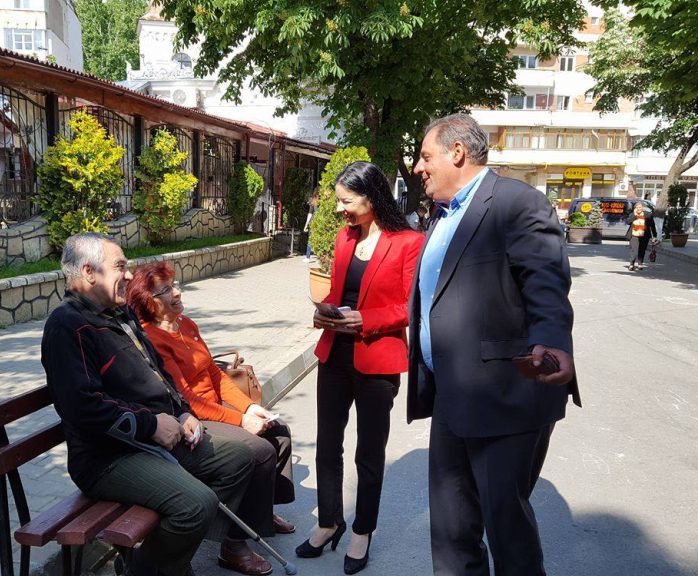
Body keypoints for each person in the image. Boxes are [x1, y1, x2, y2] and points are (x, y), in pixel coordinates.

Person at [41, 232, 273, 576]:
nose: (129, 275)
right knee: (196, 504)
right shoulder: (67, 326)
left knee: (240, 458)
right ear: (89, 272)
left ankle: (172, 558)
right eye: (120, 266)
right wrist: (151, 425)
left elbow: (159, 372)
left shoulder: (118, 313)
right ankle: (151, 567)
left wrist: (182, 412)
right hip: (108, 457)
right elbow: (82, 407)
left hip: (154, 437)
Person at [408, 113, 580, 576]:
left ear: (457, 152)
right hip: (451, 392)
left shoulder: (517, 203)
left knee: (507, 530)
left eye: (425, 157)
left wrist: (552, 341)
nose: (418, 167)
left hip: (505, 394)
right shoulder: (442, 214)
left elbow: (545, 281)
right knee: (451, 528)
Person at [298, 161, 424, 574]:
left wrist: (365, 320)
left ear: (372, 198)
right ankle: (329, 521)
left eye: (346, 201)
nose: (340, 210)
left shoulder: (408, 242)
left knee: (369, 452)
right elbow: (338, 292)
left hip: (378, 360)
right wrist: (326, 312)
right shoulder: (344, 237)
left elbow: (409, 306)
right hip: (334, 353)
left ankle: (362, 530)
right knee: (327, 444)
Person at [127, 261, 297, 537]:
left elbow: (215, 374)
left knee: (279, 431)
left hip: (215, 407)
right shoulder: (154, 339)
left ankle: (262, 512)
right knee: (260, 450)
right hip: (193, 417)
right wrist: (241, 420)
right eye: (166, 290)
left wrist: (250, 406)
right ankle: (235, 542)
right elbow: (186, 398)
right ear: (148, 302)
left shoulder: (186, 324)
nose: (177, 292)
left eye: (175, 284)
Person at [628, 202, 658, 271]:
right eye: (637, 207)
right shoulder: (632, 214)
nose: (639, 209)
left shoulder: (648, 215)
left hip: (644, 236)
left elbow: (652, 225)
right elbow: (628, 222)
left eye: (640, 207)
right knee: (634, 251)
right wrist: (635, 215)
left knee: (642, 250)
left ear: (642, 208)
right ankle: (631, 264)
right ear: (635, 208)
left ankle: (640, 263)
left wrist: (654, 235)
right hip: (634, 235)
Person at [303, 188, 320, 261]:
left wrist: (306, 225)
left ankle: (307, 257)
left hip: (313, 222)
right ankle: (320, 256)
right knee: (320, 238)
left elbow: (310, 213)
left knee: (310, 239)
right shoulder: (324, 201)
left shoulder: (313, 201)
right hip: (320, 221)